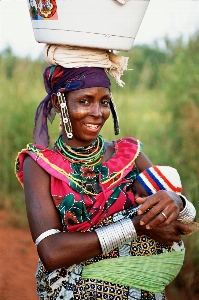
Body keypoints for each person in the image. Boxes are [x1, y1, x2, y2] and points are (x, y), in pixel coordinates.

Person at [15, 63, 196, 300]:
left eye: (104, 101)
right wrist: (136, 225)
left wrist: (178, 202)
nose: (98, 113)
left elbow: (185, 224)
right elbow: (51, 252)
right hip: (76, 291)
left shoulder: (129, 154)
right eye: (85, 101)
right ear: (60, 104)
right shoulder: (39, 165)